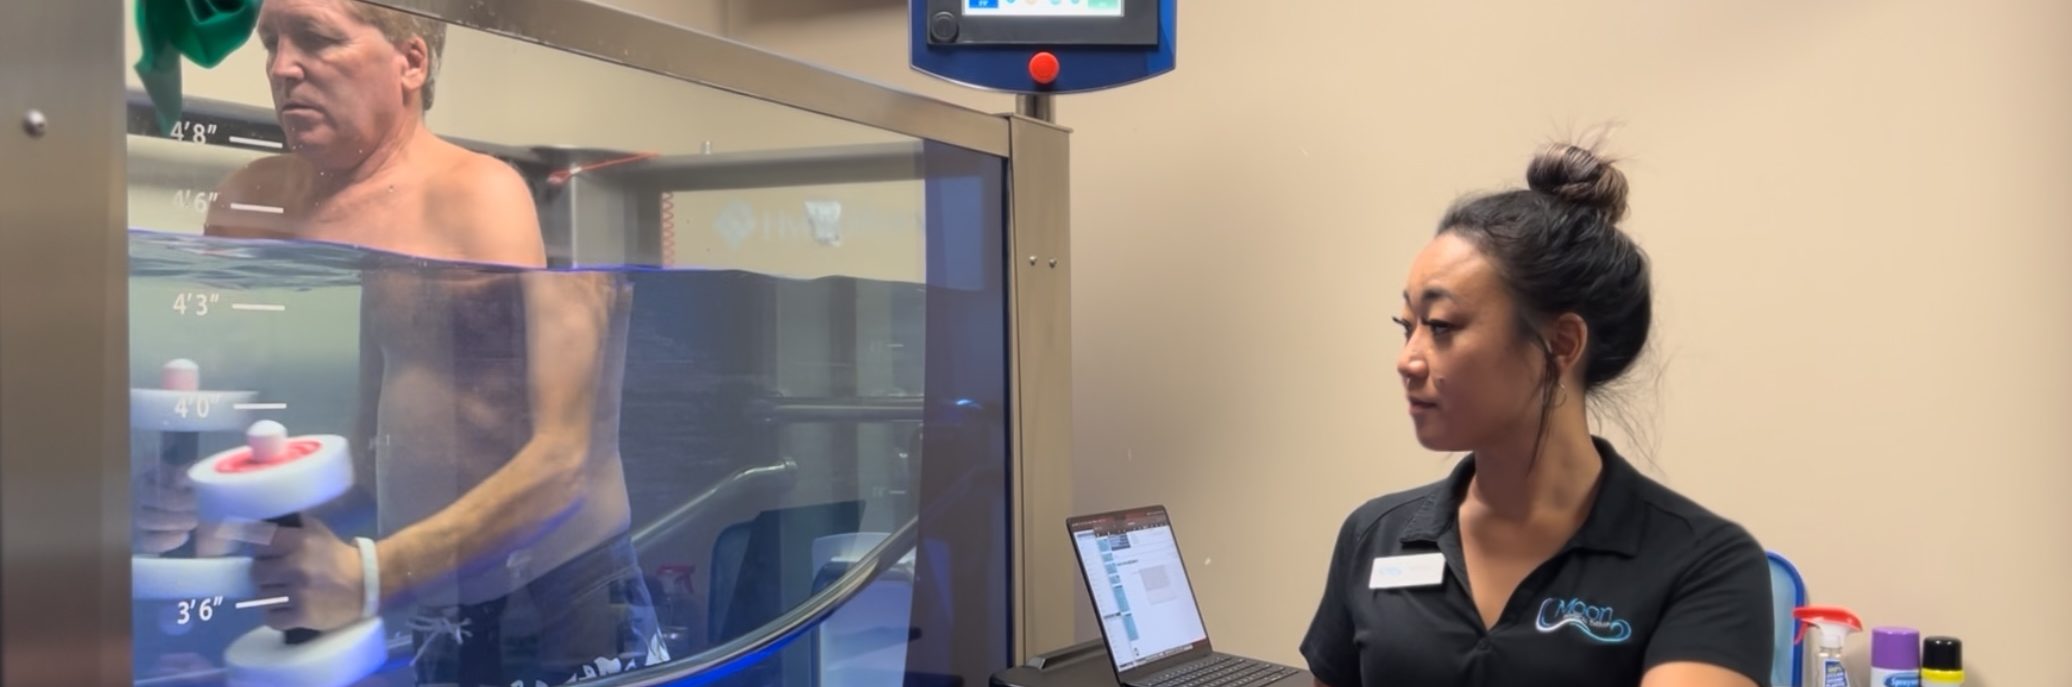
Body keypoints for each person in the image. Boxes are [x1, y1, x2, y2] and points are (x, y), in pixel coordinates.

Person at [133, 1, 666, 684]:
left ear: (411, 61)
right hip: (435, 590)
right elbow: (368, 449)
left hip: (561, 590)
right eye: (270, 42)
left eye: (318, 40)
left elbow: (565, 462)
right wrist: (206, 513)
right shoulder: (262, 203)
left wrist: (366, 575)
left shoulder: (480, 197)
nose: (281, 66)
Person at [1298, 143, 1772, 687]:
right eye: (1408, 327)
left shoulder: (1703, 563)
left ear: (1560, 343)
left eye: (1442, 326)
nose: (1408, 360)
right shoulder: (1375, 536)